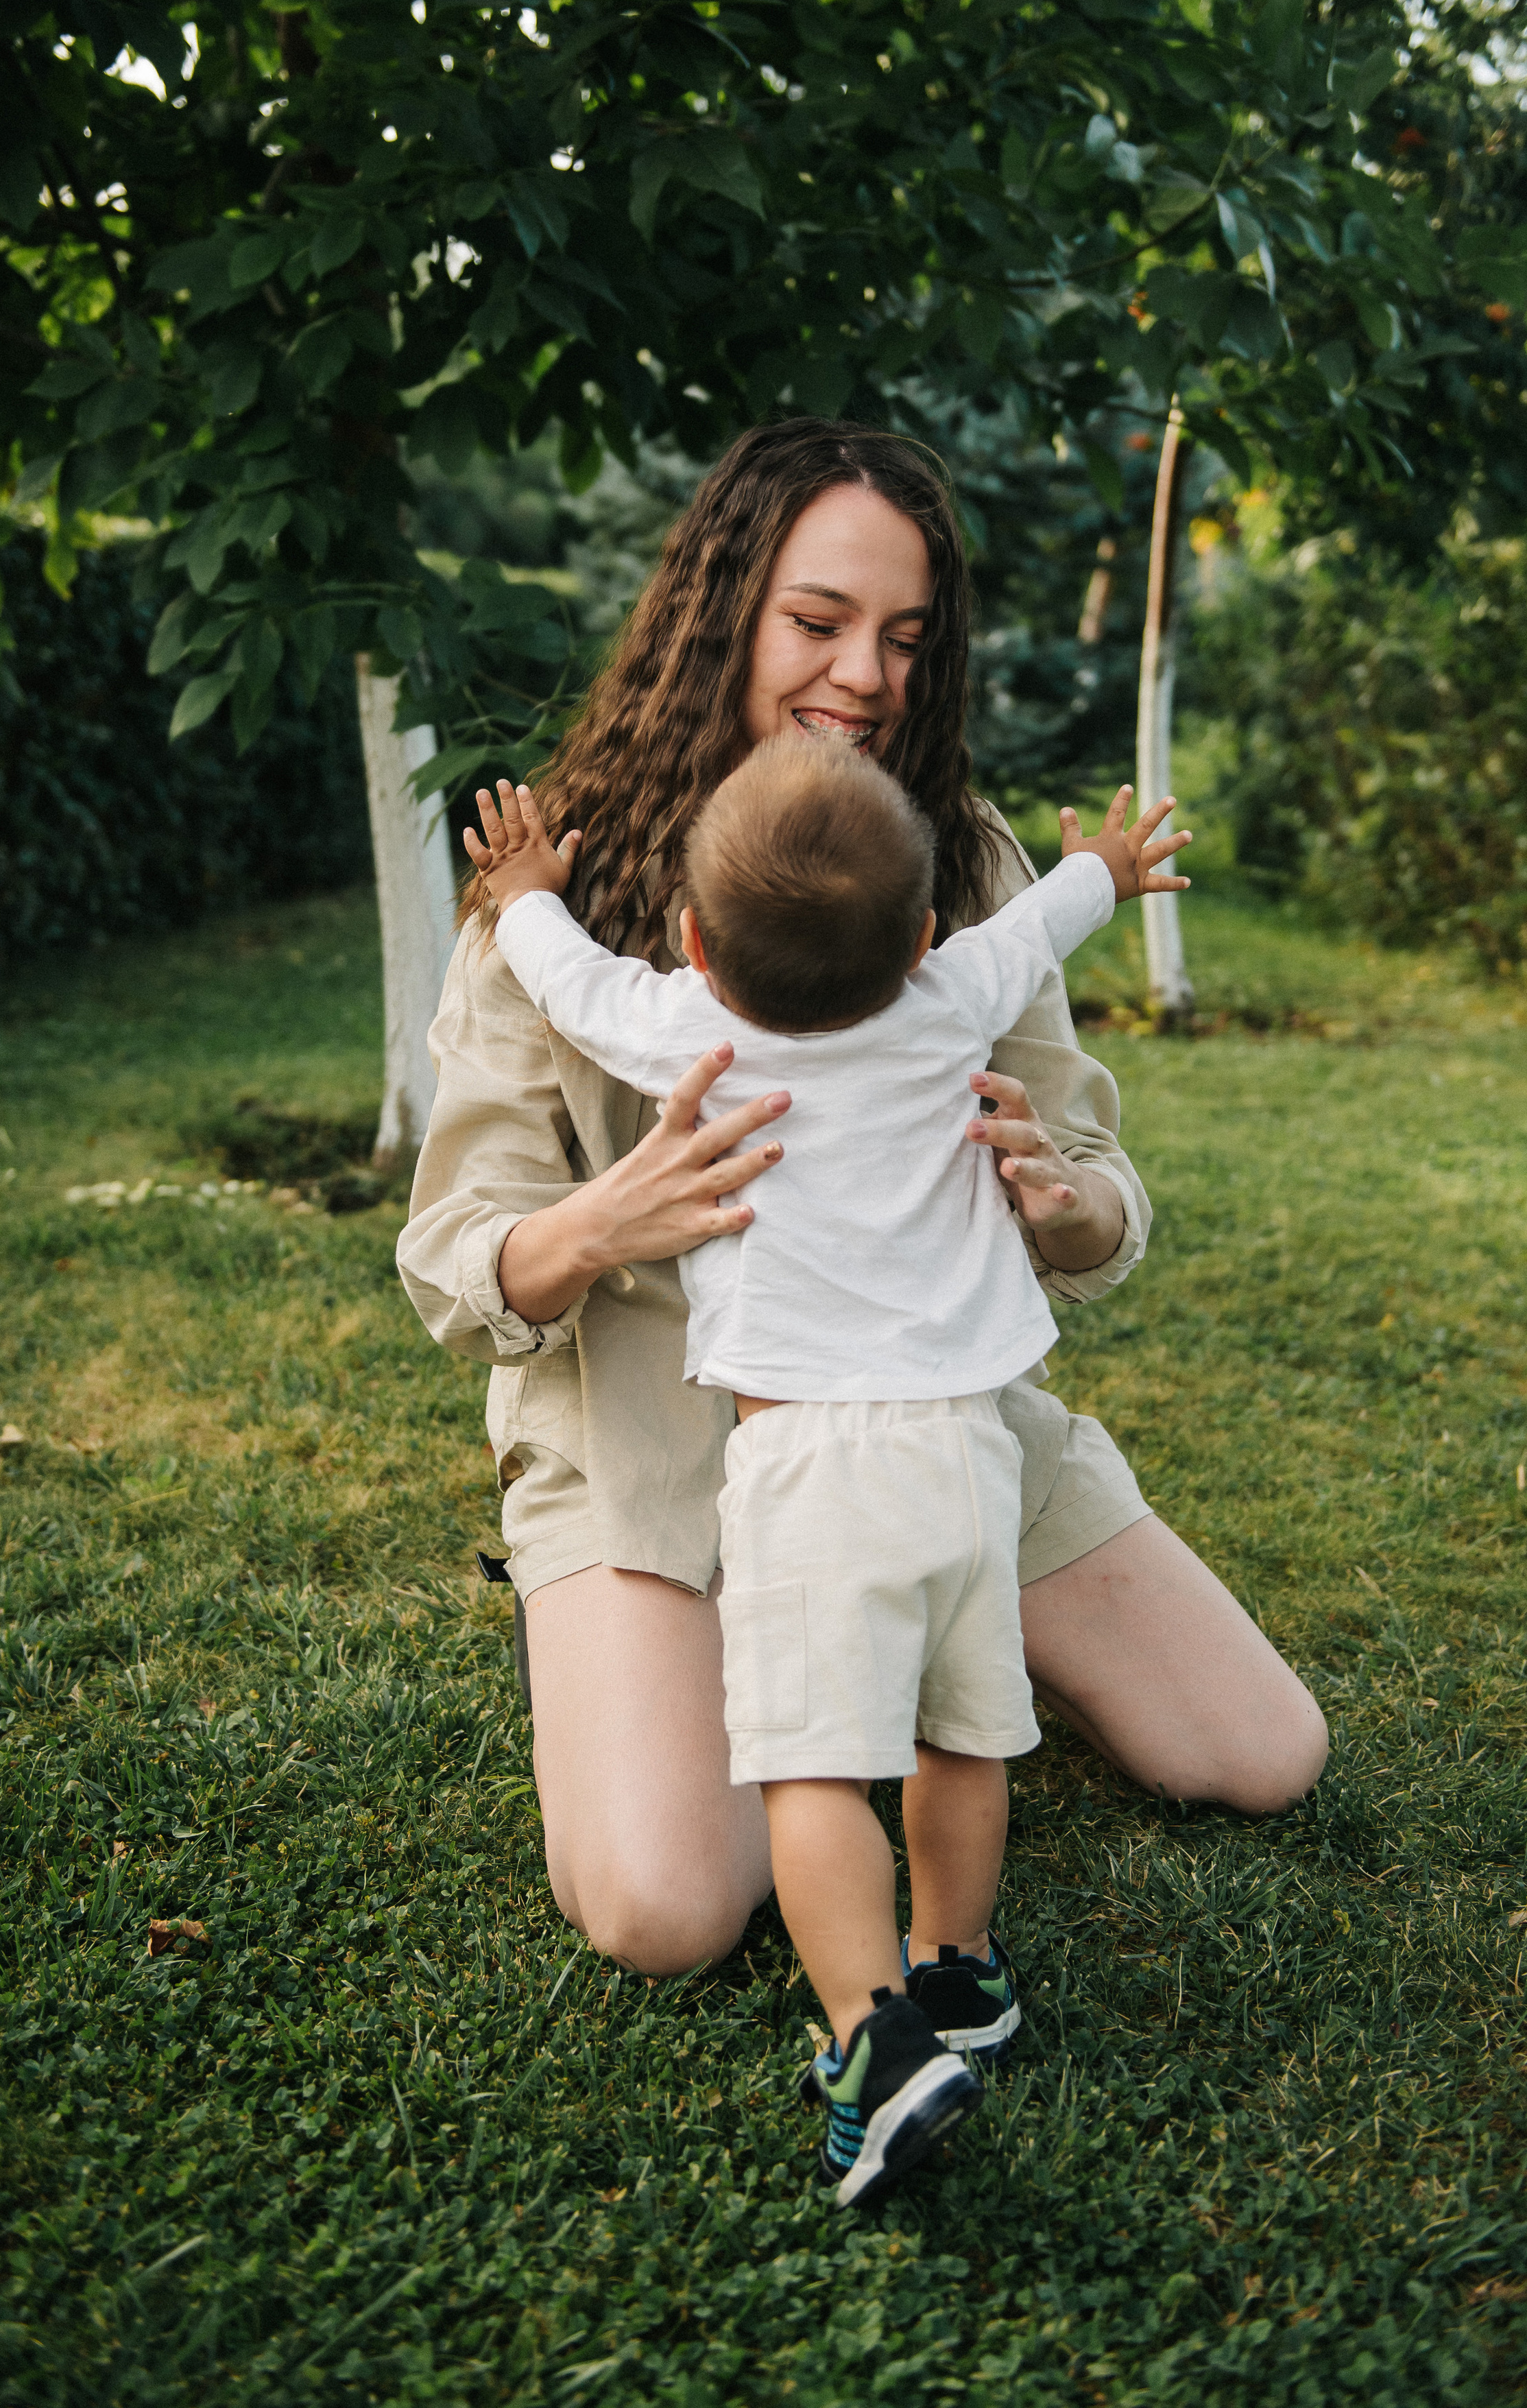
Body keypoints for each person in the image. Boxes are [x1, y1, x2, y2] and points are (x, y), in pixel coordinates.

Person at [396, 418, 1327, 1995]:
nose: (863, 675)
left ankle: (916, 1623)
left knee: (1254, 1754)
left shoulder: (948, 866)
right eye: (817, 623)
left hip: (928, 1428)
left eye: (902, 638)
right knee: (671, 1906)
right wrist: (606, 1219)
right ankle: (652, 1644)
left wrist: (1057, 1199)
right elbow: (454, 1261)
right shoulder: (558, 896)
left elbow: (1104, 1198)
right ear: (723, 613)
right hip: (656, 1447)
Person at [458, 741, 1190, 2200]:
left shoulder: (688, 1034)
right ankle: (960, 1971)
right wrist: (1104, 868)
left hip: (806, 1466)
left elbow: (566, 984)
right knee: (959, 1734)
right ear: (921, 938)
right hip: (966, 1452)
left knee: (810, 1772)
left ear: (691, 947)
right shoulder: (950, 999)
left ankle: (870, 2034)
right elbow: (1038, 923)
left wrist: (527, 890)